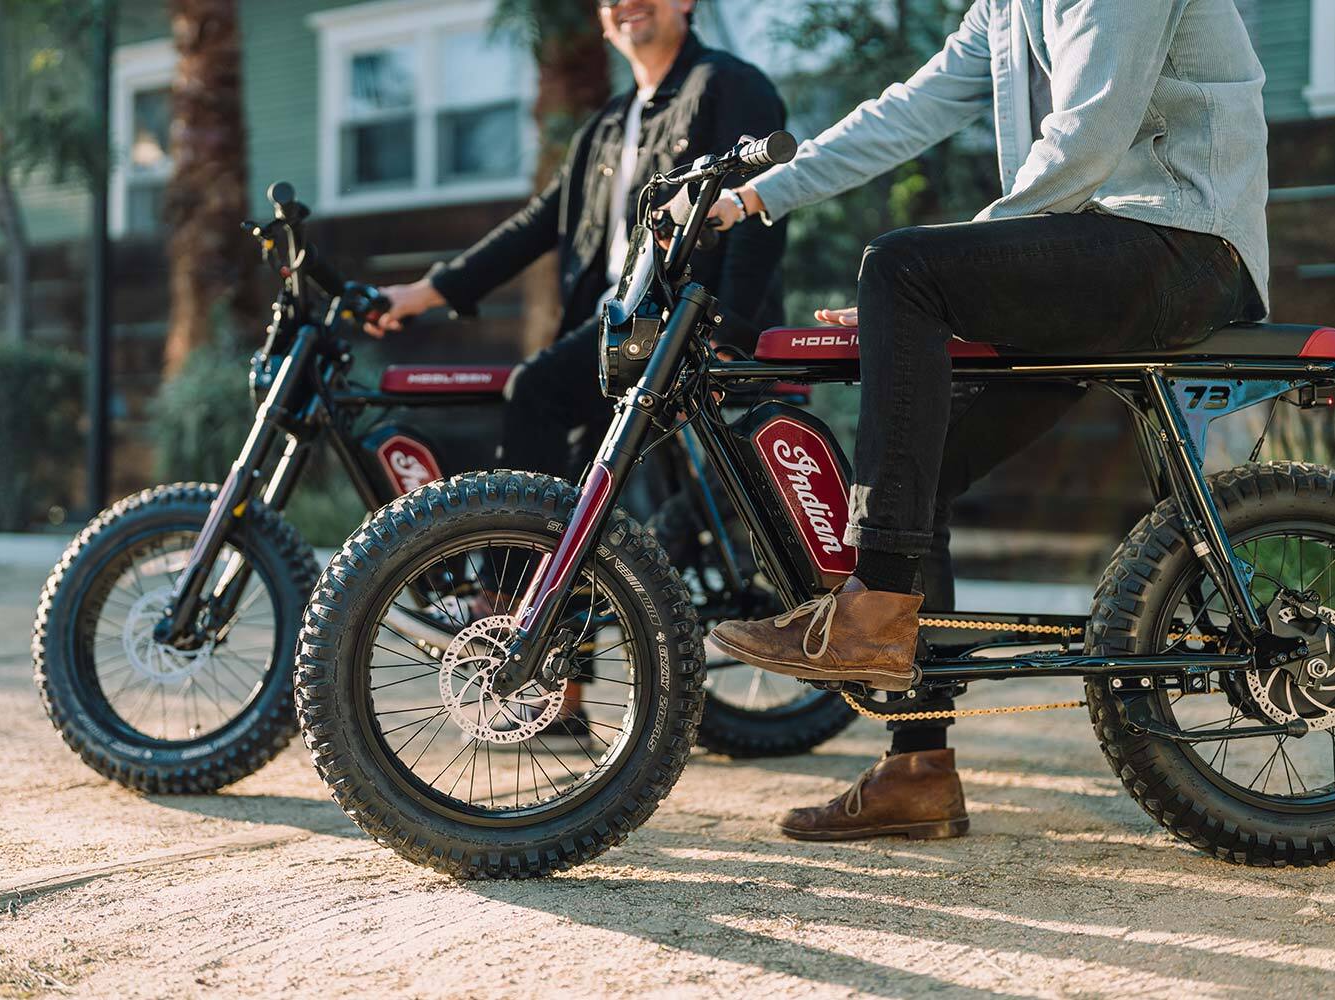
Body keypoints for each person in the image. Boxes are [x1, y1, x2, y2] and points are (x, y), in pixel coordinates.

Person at [707, 0, 1269, 842]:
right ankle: (918, 769)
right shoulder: (1004, 10)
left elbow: (1089, 128)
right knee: (918, 459)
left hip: (1183, 244)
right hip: (1097, 250)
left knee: (903, 270)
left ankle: (877, 604)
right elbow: (912, 106)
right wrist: (754, 197)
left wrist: (964, 271)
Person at [372, 0, 788, 732]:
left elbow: (759, 206)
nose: (627, 3)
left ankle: (506, 605)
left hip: (677, 328)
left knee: (534, 393)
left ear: (686, 3)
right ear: (601, 20)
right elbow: (536, 224)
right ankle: (558, 692)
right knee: (570, 498)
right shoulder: (607, 124)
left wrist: (735, 328)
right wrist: (425, 292)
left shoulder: (727, 85)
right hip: (616, 334)